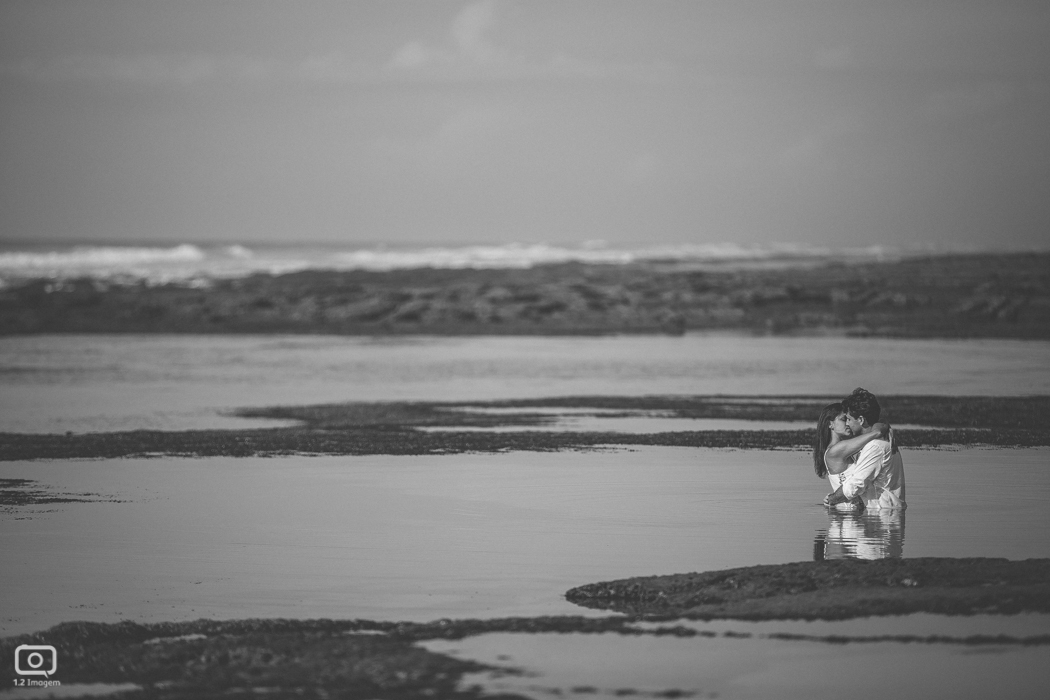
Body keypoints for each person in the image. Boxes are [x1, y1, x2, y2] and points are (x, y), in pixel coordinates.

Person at [824, 388, 906, 510]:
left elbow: (856, 485)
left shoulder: (875, 446)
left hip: (883, 514)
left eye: (849, 419)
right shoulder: (879, 440)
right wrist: (883, 426)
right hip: (884, 513)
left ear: (861, 420)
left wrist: (832, 498)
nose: (847, 424)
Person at [812, 401, 892, 509]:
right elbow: (876, 432)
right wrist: (886, 430)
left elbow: (880, 424)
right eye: (843, 419)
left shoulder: (844, 448)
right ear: (830, 424)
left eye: (848, 419)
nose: (847, 423)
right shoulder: (834, 451)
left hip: (851, 513)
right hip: (846, 514)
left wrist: (885, 426)